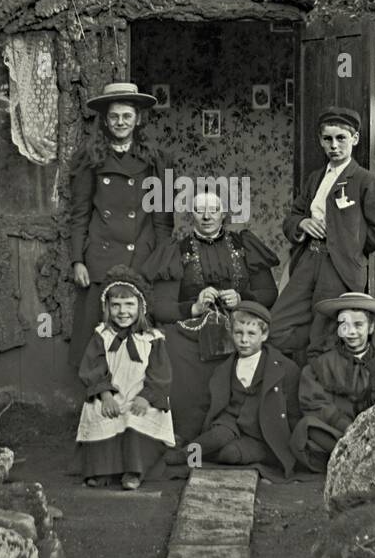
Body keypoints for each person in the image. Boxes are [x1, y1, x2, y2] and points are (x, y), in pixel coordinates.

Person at [141, 189, 280, 444]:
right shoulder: (177, 251)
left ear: (224, 213)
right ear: (190, 214)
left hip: (241, 322)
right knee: (170, 345)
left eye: (213, 210)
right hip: (195, 326)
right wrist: (193, 308)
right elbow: (159, 307)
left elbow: (270, 293)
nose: (206, 216)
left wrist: (242, 298)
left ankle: (247, 429)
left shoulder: (244, 246)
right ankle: (187, 431)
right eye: (199, 210)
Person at [270, 106, 375, 363]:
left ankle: (320, 391)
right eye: (327, 139)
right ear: (320, 141)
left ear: (355, 139)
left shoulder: (363, 180)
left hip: (338, 268)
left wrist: (350, 245)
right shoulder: (316, 178)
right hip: (307, 261)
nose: (334, 145)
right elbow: (291, 218)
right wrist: (303, 223)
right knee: (276, 328)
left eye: (341, 138)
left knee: (325, 336)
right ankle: (308, 369)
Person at [67, 82, 173, 370]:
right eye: (114, 117)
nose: (120, 122)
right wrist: (78, 260)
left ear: (138, 118)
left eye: (127, 116)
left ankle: (139, 404)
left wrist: (159, 259)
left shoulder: (156, 159)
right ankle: (97, 402)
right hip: (102, 260)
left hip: (141, 258)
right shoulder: (90, 158)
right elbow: (79, 214)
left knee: (140, 340)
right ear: (105, 120)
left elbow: (163, 216)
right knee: (98, 339)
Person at [168, 301, 301, 475]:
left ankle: (212, 454)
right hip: (230, 422)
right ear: (231, 333)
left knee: (230, 454)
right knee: (217, 436)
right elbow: (209, 403)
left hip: (260, 431)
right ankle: (186, 456)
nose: (244, 340)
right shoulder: (226, 367)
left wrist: (286, 447)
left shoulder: (284, 368)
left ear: (264, 335)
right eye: (238, 333)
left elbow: (292, 411)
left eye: (251, 334)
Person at [75, 267, 175, 490]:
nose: (123, 312)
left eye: (129, 305)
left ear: (140, 307)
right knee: (99, 413)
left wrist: (146, 397)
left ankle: (134, 471)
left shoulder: (152, 339)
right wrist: (105, 394)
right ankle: (102, 470)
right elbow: (93, 366)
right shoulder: (102, 335)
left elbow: (160, 374)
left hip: (141, 395)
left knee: (135, 419)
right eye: (116, 306)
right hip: (111, 392)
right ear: (107, 308)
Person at [292, 292, 375, 472]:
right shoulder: (324, 363)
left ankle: (359, 458)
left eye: (358, 325)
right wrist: (346, 427)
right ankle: (356, 458)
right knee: (307, 428)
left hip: (374, 434)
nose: (351, 332)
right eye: (345, 325)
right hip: (338, 433)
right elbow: (315, 403)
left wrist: (371, 429)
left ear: (371, 328)